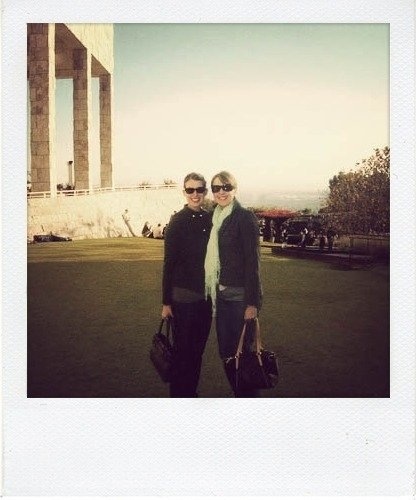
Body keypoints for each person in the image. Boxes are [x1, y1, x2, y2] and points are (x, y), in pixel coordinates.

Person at [204, 171, 263, 397]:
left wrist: (252, 304)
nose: (221, 192)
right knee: (227, 352)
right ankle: (240, 395)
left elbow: (253, 262)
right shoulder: (215, 217)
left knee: (244, 355)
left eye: (226, 187)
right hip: (222, 298)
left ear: (235, 189)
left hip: (240, 299)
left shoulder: (244, 217)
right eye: (216, 188)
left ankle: (248, 401)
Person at [161, 172, 212, 397]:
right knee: (183, 353)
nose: (195, 194)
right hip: (183, 298)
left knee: (197, 352)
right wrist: (165, 302)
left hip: (205, 299)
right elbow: (168, 263)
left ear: (205, 192)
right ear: (184, 192)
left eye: (199, 190)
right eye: (190, 190)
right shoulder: (177, 222)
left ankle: (191, 394)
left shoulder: (210, 219)